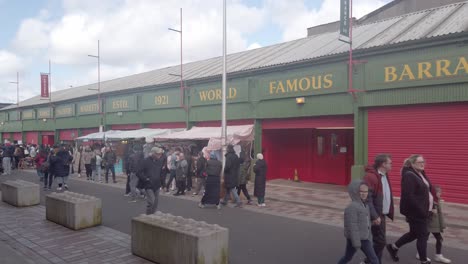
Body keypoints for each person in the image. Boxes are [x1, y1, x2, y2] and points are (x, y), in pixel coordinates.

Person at [387, 155, 433, 264]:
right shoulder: (409, 175)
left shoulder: (420, 173)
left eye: (423, 161)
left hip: (426, 210)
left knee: (414, 233)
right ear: (412, 164)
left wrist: (433, 204)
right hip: (417, 212)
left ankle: (393, 247)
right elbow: (409, 196)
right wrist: (422, 210)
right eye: (419, 162)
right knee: (422, 235)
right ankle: (423, 260)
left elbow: (427, 190)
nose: (423, 164)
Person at [362, 154, 394, 263]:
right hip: (375, 215)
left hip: (382, 214)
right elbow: (366, 198)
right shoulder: (370, 177)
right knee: (380, 242)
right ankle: (368, 261)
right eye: (390, 163)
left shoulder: (384, 175)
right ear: (383, 164)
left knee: (378, 241)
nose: (391, 165)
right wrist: (374, 215)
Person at [337, 181, 379, 264]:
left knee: (348, 257)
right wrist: (356, 242)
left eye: (366, 191)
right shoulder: (352, 207)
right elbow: (352, 226)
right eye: (361, 191)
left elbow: (365, 221)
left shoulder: (365, 205)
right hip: (356, 239)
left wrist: (372, 224)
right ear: (355, 192)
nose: (364, 194)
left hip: (364, 237)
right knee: (374, 260)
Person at [417, 186, 451, 263]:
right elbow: (424, 210)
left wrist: (442, 224)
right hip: (429, 224)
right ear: (434, 193)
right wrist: (431, 211)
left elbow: (439, 214)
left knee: (438, 239)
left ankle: (438, 255)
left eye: (440, 192)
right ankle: (420, 254)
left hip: (435, 225)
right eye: (439, 192)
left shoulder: (437, 200)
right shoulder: (430, 201)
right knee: (424, 239)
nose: (440, 194)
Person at [140, 147, 165, 214]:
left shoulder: (160, 161)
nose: (160, 155)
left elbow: (161, 173)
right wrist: (146, 179)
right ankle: (148, 216)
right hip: (148, 184)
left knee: (156, 202)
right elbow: (139, 172)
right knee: (151, 201)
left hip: (157, 184)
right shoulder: (145, 161)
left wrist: (163, 185)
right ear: (153, 153)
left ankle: (153, 214)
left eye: (160, 154)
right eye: (158, 154)